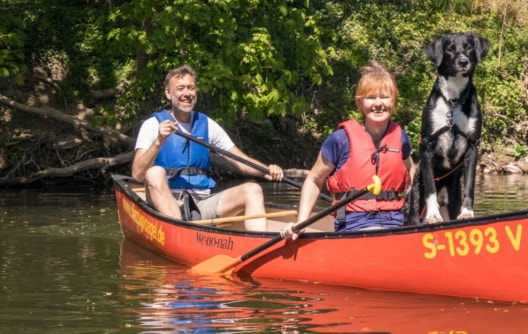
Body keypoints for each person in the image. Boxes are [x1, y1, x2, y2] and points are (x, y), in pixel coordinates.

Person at [132, 64, 284, 231]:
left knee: (253, 190)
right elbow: (138, 174)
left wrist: (267, 170)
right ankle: (180, 231)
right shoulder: (152, 125)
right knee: (154, 173)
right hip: (166, 201)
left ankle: (259, 246)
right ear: (169, 93)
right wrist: (158, 141)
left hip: (201, 202)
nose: (187, 94)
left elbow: (241, 162)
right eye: (180, 88)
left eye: (191, 88)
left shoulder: (207, 125)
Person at [281, 60, 414, 240]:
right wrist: (301, 222)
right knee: (379, 236)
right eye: (371, 97)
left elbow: (412, 171)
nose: (378, 103)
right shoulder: (340, 140)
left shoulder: (401, 139)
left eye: (384, 97)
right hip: (354, 222)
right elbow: (314, 180)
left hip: (395, 219)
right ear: (360, 104)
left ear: (393, 102)